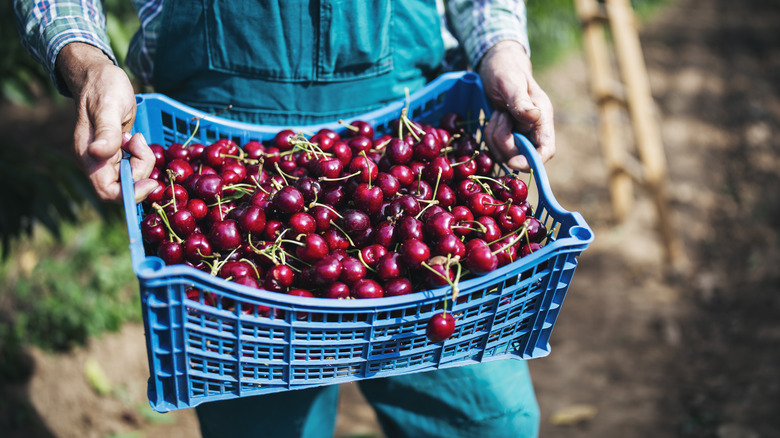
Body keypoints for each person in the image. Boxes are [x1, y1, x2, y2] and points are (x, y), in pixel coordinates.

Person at [14, 1, 556, 436]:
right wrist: (87, 64)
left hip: (407, 108)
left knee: (486, 420)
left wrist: (500, 50)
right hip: (218, 122)